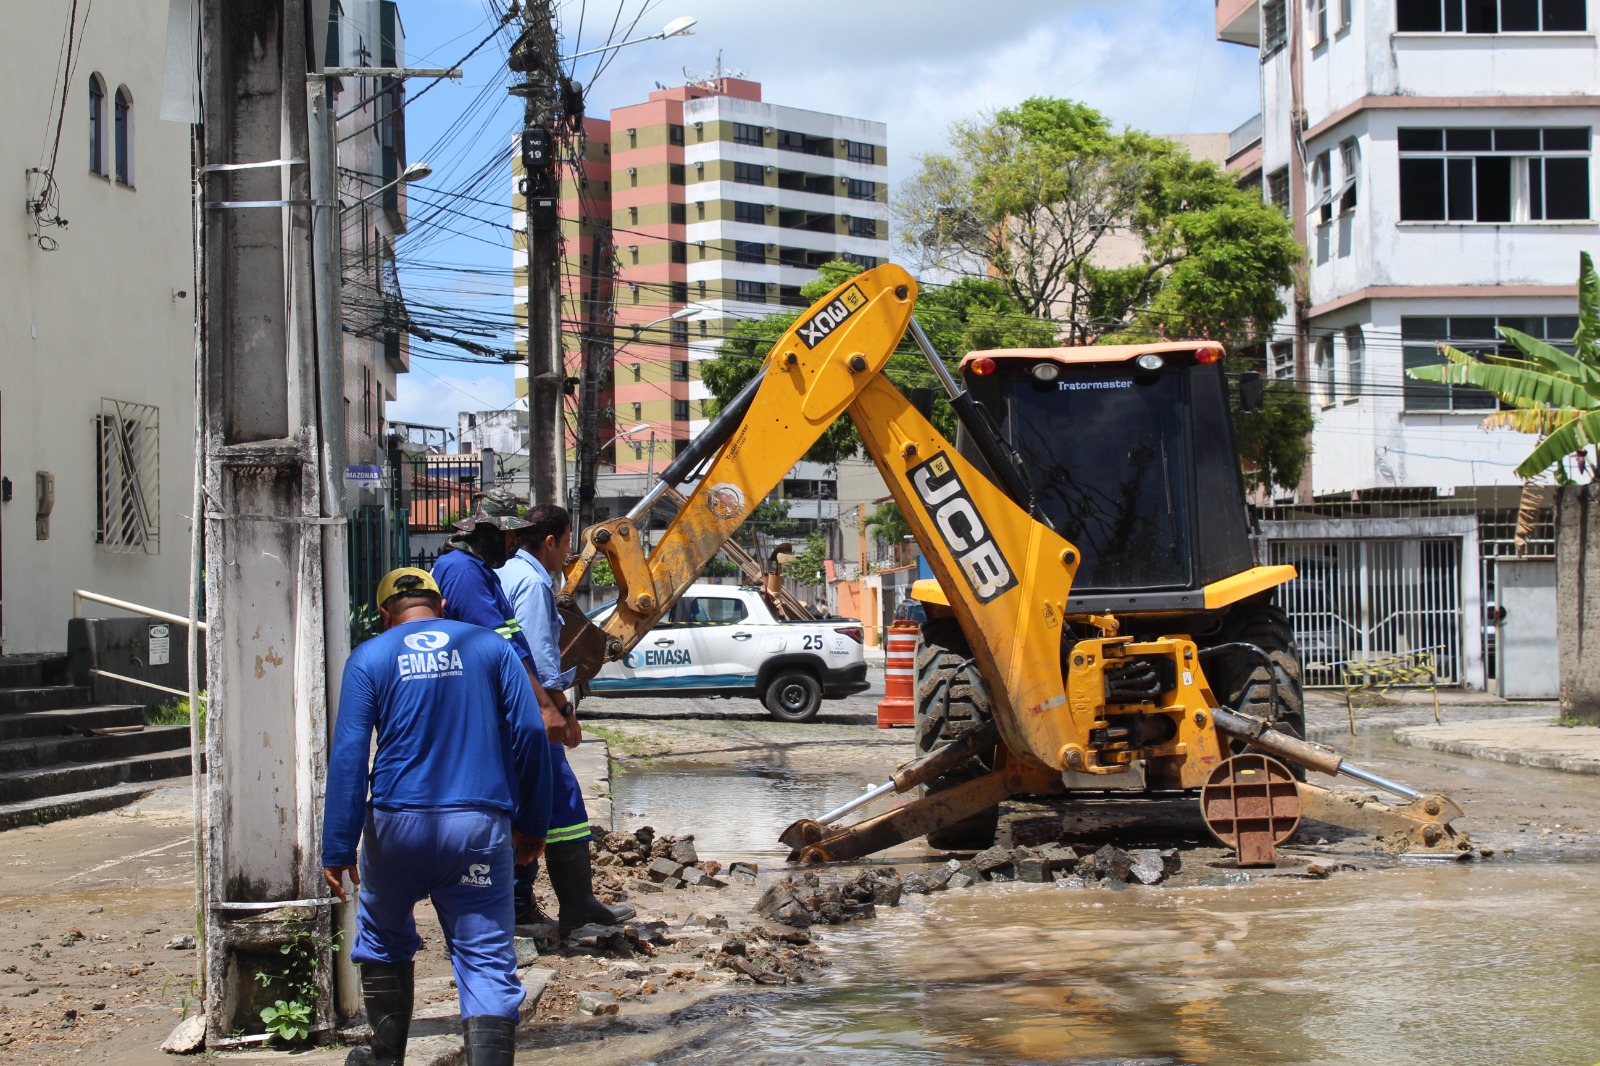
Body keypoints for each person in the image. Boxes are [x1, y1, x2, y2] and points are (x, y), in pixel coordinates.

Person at [321, 567, 552, 1066]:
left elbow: (348, 755)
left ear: (386, 616)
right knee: (485, 956)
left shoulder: (370, 657)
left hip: (395, 828)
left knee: (382, 939)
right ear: (441, 606)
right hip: (477, 827)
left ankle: (384, 1058)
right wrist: (534, 820)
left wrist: (338, 845)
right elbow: (532, 733)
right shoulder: (490, 647)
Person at [499, 503, 636, 933]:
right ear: (551, 542)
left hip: (505, 706)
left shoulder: (502, 575)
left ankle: (525, 903)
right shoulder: (534, 583)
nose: (568, 558)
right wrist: (561, 709)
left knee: (526, 804)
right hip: (530, 708)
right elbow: (539, 655)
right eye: (566, 546)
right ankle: (568, 905)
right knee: (563, 801)